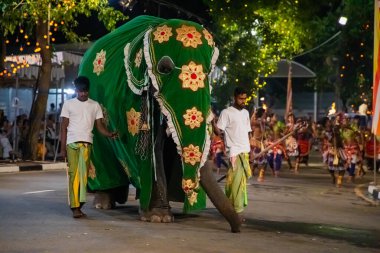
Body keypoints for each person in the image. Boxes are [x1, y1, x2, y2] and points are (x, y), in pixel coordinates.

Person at [60, 76, 118, 218]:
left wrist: (110, 134)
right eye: (80, 91)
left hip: (87, 143)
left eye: (85, 91)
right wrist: (62, 148)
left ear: (88, 90)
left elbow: (100, 127)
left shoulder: (95, 105)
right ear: (76, 90)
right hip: (72, 143)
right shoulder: (68, 104)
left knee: (83, 177)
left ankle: (78, 204)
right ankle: (75, 208)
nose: (83, 94)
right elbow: (63, 127)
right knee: (74, 175)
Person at [213, 87, 252, 222]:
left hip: (245, 151)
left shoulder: (246, 113)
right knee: (235, 182)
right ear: (235, 97)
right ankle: (237, 212)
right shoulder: (226, 112)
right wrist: (212, 122)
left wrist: (250, 149)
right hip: (234, 151)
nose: (243, 101)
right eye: (241, 98)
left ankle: (232, 207)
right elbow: (219, 131)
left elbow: (248, 132)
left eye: (245, 99)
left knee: (240, 183)